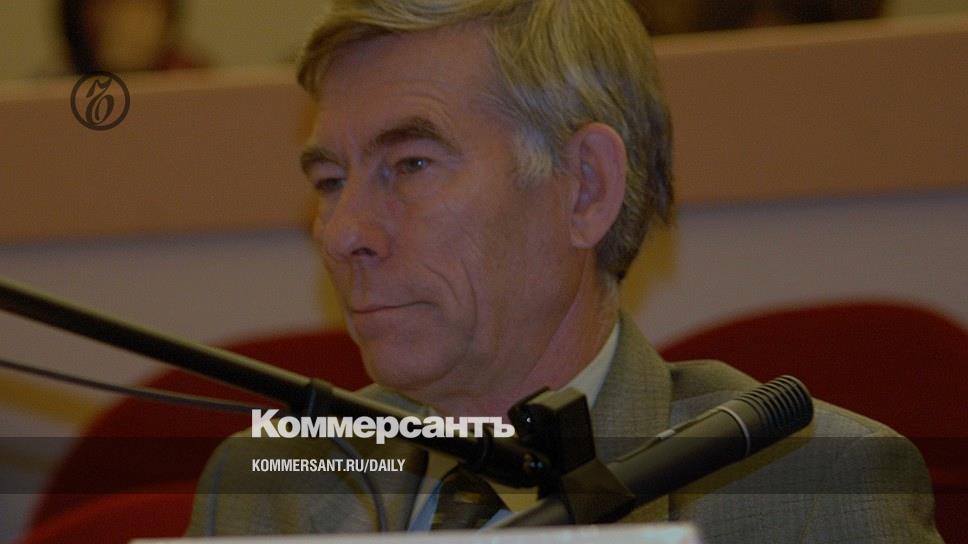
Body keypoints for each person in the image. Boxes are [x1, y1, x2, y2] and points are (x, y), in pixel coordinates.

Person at [188, 1, 942, 541]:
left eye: (410, 164)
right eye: (329, 181)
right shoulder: (261, 482)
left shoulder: (811, 490)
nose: (343, 233)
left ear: (586, 187)